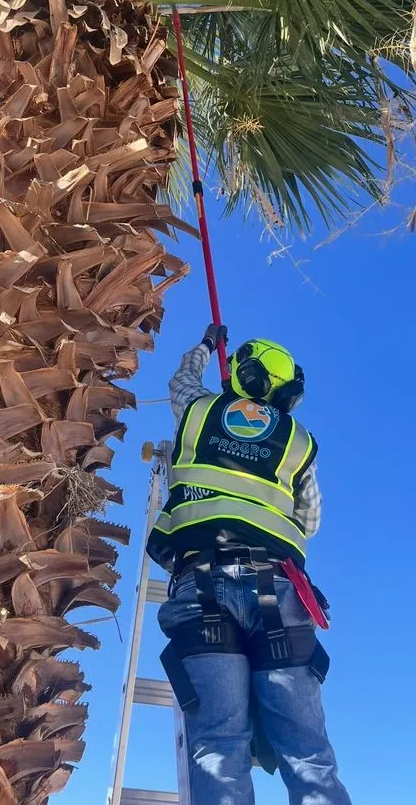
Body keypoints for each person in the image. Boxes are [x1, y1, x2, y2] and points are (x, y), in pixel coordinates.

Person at [147, 324, 352, 805]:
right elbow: (310, 520)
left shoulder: (199, 410)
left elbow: (180, 381)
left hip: (201, 587)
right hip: (276, 592)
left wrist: (204, 347)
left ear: (244, 374)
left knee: (219, 745)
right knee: (308, 753)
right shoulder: (298, 441)